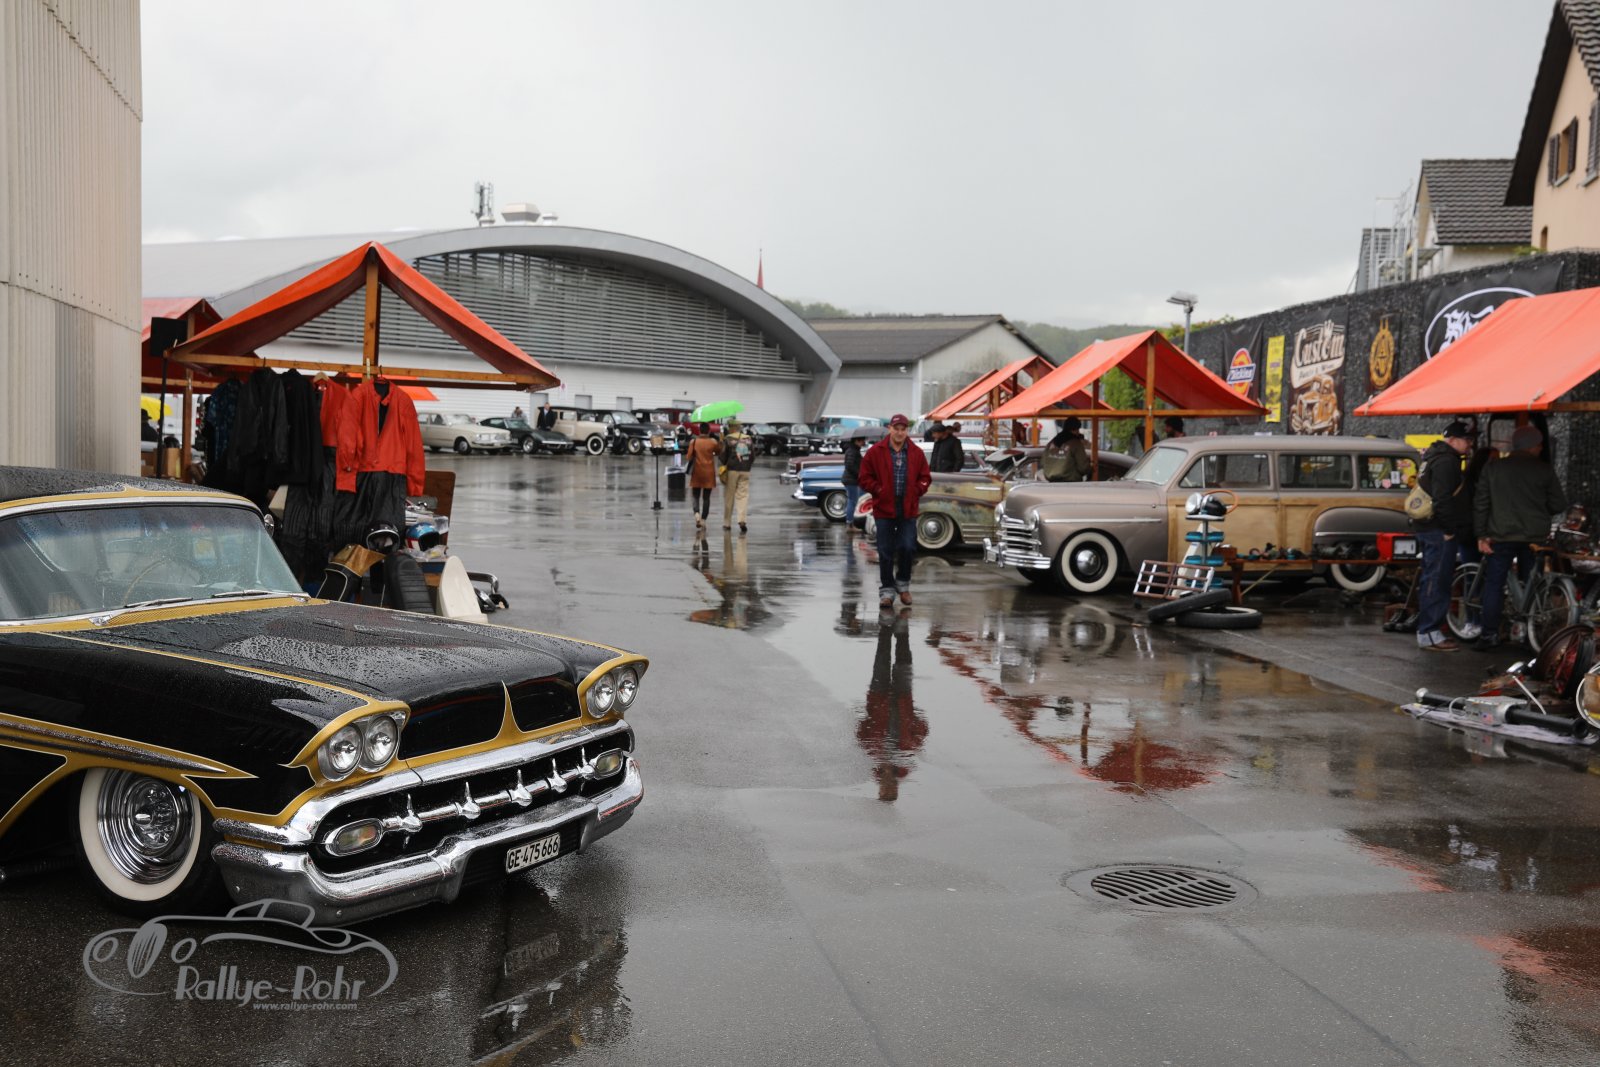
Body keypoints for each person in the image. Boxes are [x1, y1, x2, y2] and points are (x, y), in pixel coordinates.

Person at [1472, 423, 1568, 650]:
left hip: (1501, 535)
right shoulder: (1544, 470)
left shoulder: (1494, 467)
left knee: (1494, 584)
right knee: (1532, 582)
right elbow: (1558, 504)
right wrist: (1539, 509)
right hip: (1535, 536)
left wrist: (1481, 535)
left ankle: (1489, 635)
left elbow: (1481, 503)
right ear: (1532, 446)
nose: (1540, 448)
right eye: (1539, 445)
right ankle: (1528, 634)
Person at [1413, 420, 1476, 652]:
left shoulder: (1433, 456)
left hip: (1429, 527)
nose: (1470, 444)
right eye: (1467, 439)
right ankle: (1429, 633)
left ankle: (1429, 630)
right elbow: (1442, 499)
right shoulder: (1446, 461)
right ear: (1453, 439)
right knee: (1437, 579)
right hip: (1439, 530)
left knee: (1432, 578)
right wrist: (1449, 530)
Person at [858, 413, 932, 609]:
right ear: (890, 429)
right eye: (896, 429)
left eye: (903, 429)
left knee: (907, 547)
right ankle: (887, 591)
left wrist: (917, 490)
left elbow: (925, 477)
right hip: (884, 507)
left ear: (907, 431)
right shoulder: (876, 451)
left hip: (908, 507)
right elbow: (864, 477)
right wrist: (878, 489)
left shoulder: (916, 452)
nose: (899, 432)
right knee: (885, 550)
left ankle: (903, 584)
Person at [720, 420, 754, 533]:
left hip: (732, 470)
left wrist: (721, 444)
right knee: (743, 496)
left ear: (731, 427)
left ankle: (727, 523)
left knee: (729, 496)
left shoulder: (728, 439)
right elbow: (753, 456)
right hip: (745, 470)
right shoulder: (748, 439)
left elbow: (723, 457)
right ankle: (742, 520)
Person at [684, 424, 721, 531]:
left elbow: (688, 457)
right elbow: (718, 451)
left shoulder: (694, 442)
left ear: (699, 431)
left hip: (697, 472)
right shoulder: (713, 442)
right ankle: (704, 519)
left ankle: (697, 514)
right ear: (709, 431)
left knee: (695, 495)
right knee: (706, 497)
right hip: (709, 473)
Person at [1040, 417, 1091, 482]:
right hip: (1071, 484)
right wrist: (1091, 469)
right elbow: (1083, 468)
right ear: (1074, 430)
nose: (1078, 432)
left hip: (1051, 483)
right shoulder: (1076, 444)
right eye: (1077, 429)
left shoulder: (1051, 443)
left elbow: (1042, 463)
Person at [842, 430, 867, 528]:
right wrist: (859, 474)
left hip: (851, 480)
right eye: (862, 440)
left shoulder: (854, 450)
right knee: (852, 501)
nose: (864, 442)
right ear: (857, 441)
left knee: (852, 501)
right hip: (851, 480)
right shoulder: (852, 451)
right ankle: (850, 524)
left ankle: (850, 523)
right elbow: (849, 465)